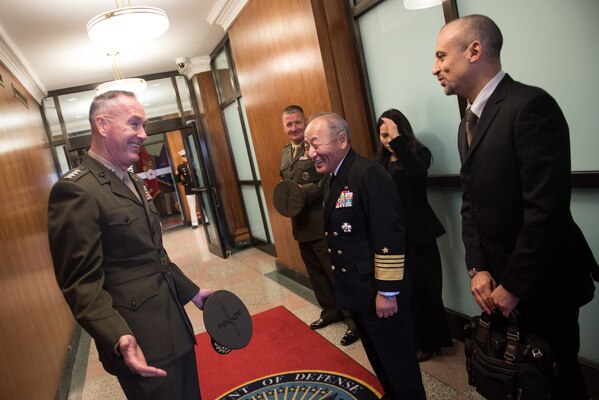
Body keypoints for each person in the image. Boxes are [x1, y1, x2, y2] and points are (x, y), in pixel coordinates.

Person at [432, 14, 599, 398]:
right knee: (516, 377)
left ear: (474, 50)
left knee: (556, 377)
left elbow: (547, 212)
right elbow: (470, 203)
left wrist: (514, 286)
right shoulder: (467, 123)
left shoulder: (530, 106)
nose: (435, 68)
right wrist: (478, 269)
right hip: (495, 282)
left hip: (543, 283)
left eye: (441, 56)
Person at [48, 90, 213, 399]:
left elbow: (152, 255)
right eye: (134, 124)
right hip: (137, 336)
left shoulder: (133, 180)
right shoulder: (76, 190)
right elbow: (80, 283)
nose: (143, 134)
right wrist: (117, 335)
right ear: (102, 124)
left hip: (173, 322)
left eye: (144, 125)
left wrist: (190, 291)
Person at [304, 112, 425, 399]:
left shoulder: (367, 173)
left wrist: (388, 291)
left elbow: (389, 236)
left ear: (342, 139)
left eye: (315, 144)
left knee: (401, 367)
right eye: (307, 147)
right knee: (381, 363)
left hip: (380, 294)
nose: (311, 153)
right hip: (359, 293)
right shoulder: (333, 178)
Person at [376, 109, 452, 362]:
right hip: (395, 235)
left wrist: (399, 141)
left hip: (420, 233)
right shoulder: (381, 161)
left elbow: (417, 173)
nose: (386, 140)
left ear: (401, 131)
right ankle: (415, 338)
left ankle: (432, 342)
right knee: (405, 291)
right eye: (382, 135)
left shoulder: (419, 154)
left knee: (426, 290)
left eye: (390, 135)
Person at [279, 105, 358, 346]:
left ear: (305, 122)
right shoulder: (285, 152)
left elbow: (326, 179)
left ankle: (353, 322)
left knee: (335, 273)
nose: (294, 128)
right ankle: (330, 311)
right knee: (316, 273)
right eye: (289, 124)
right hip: (300, 223)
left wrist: (302, 194)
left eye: (297, 123)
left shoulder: (317, 148)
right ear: (284, 127)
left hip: (321, 220)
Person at [177, 149, 200, 229]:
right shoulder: (180, 167)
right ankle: (194, 223)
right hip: (189, 188)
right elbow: (178, 179)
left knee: (203, 205)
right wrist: (184, 184)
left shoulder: (194, 164)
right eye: (183, 156)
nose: (185, 157)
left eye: (186, 155)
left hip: (197, 186)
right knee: (192, 206)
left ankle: (206, 220)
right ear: (181, 158)